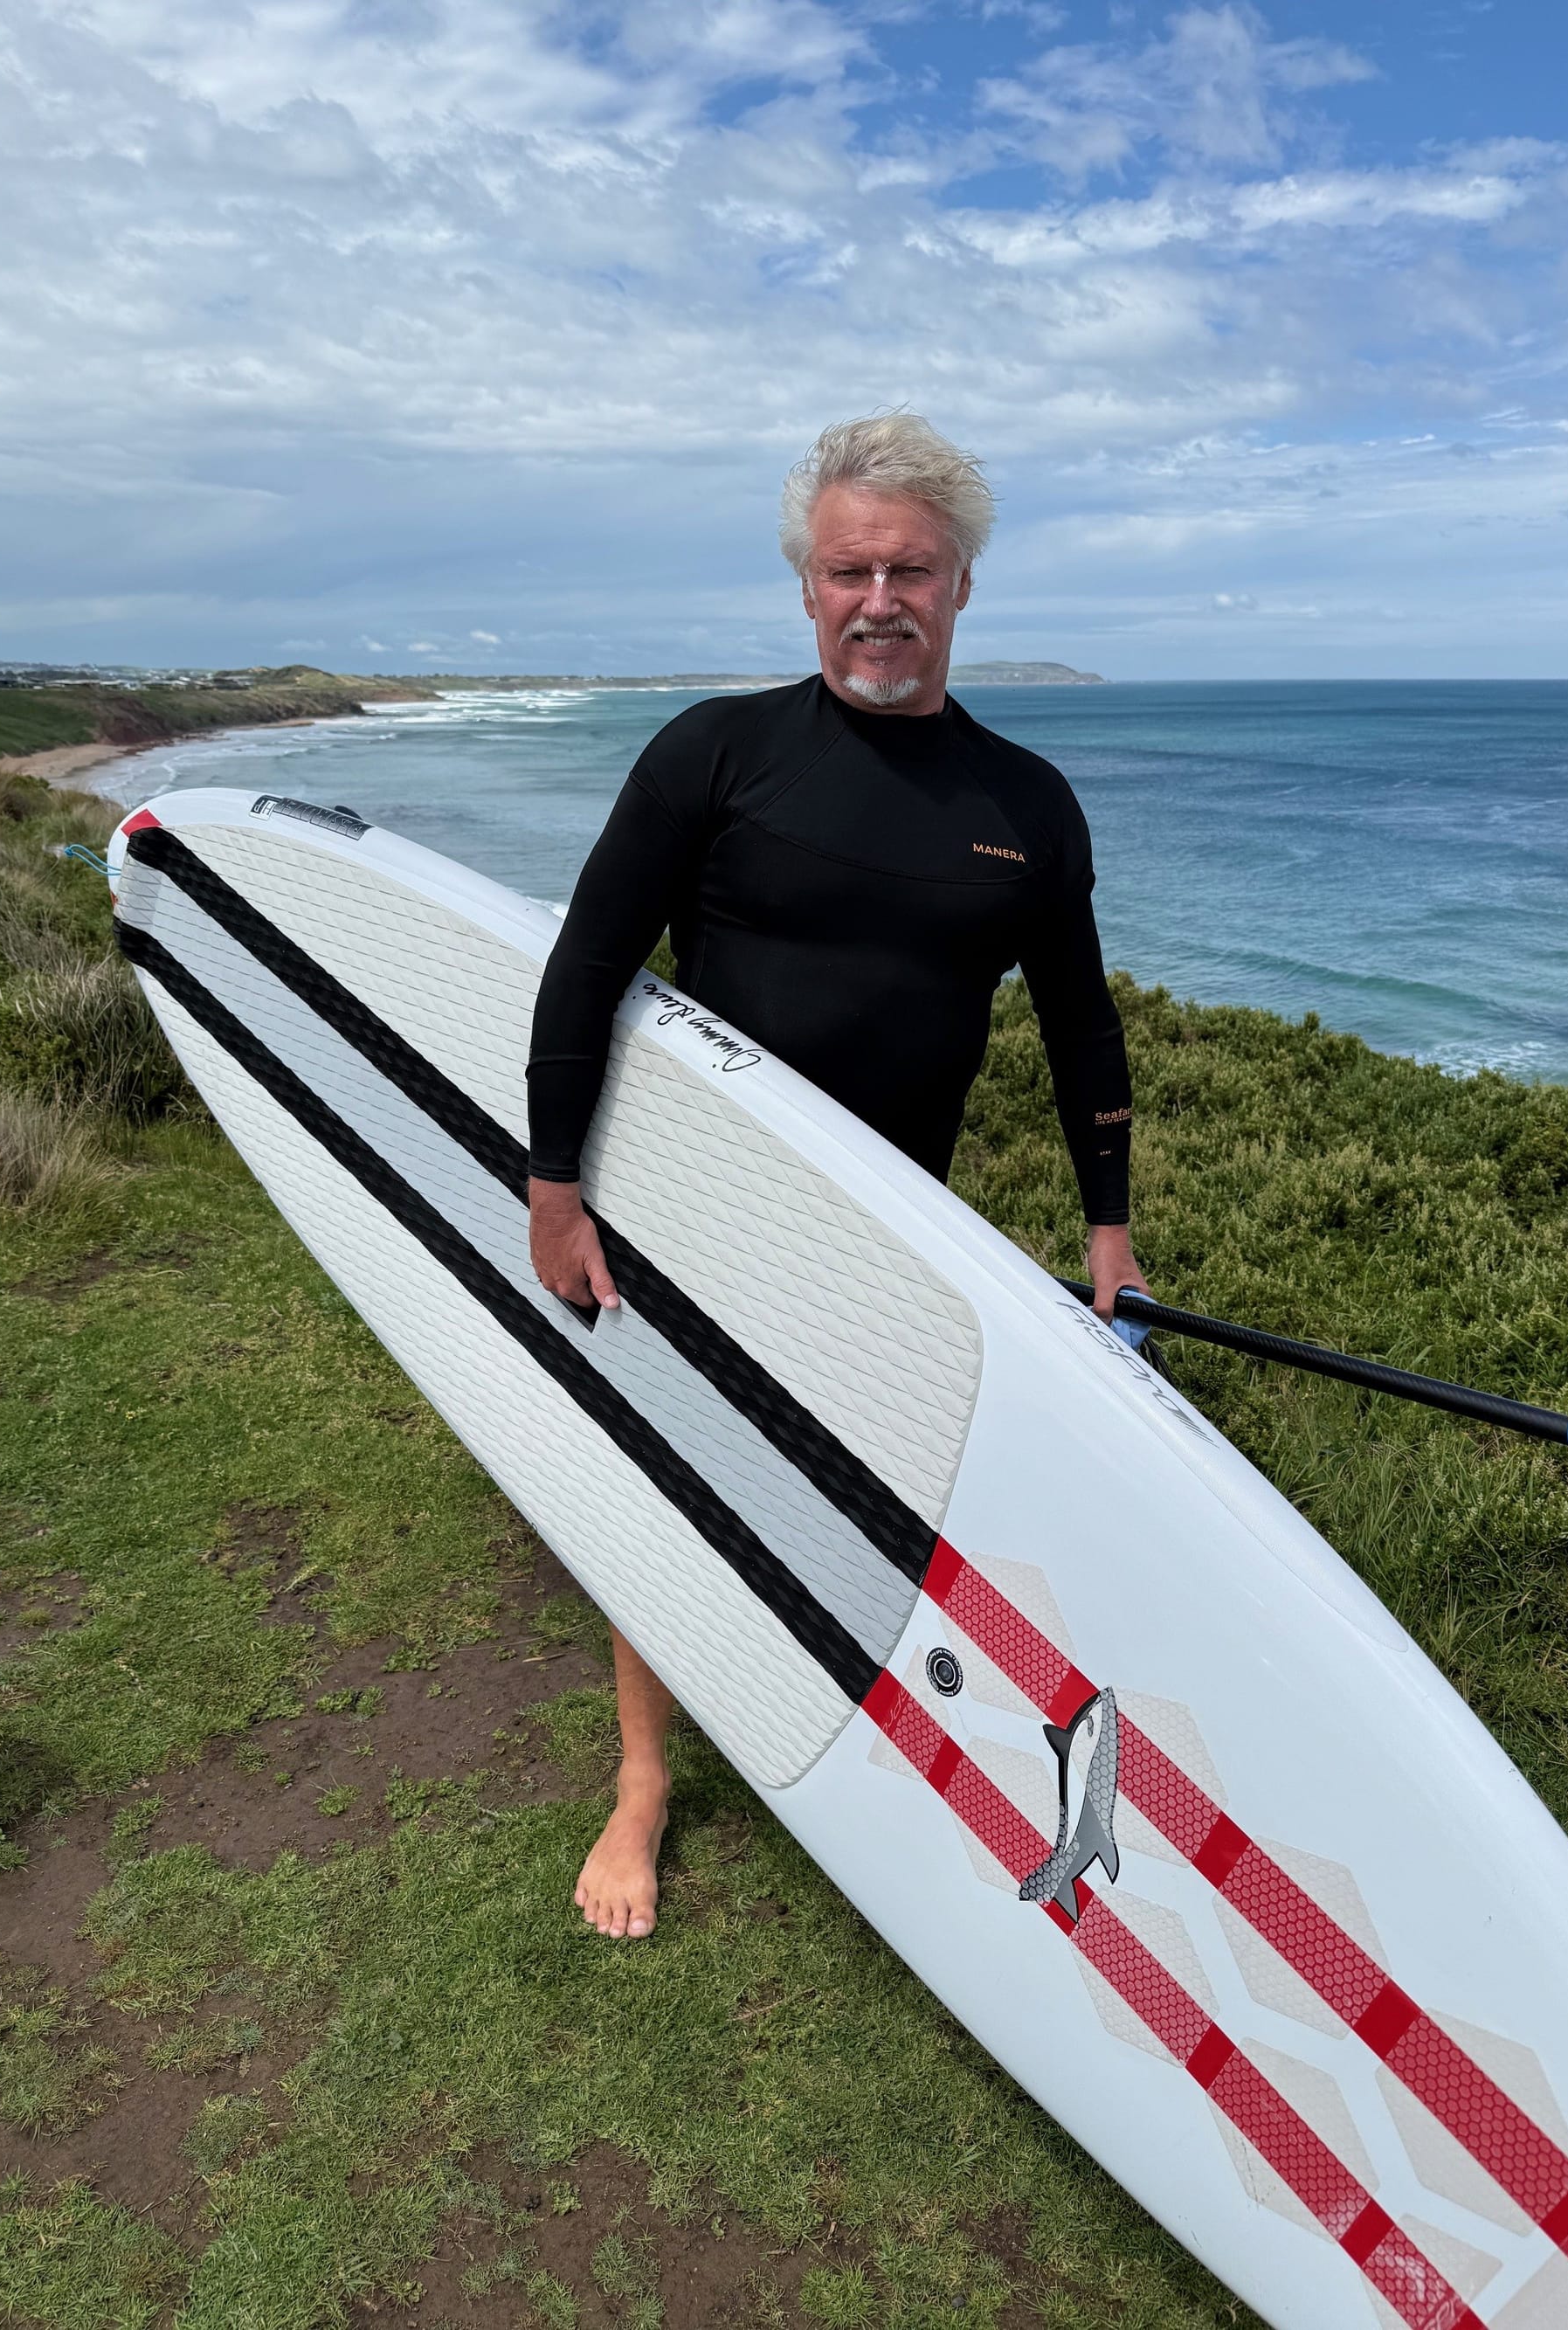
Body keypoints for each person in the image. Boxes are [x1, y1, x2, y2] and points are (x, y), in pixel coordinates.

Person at [527, 411, 1148, 1938]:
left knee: (837, 1493)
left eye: (912, 571)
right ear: (808, 588)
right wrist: (554, 1185)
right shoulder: (717, 753)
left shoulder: (1026, 805)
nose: (880, 598)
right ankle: (644, 1780)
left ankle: (828, 1723)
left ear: (961, 589)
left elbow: (1081, 1029)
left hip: (886, 1224)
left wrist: (1111, 1232)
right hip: (687, 1199)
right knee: (666, 1486)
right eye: (848, 568)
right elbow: (586, 966)